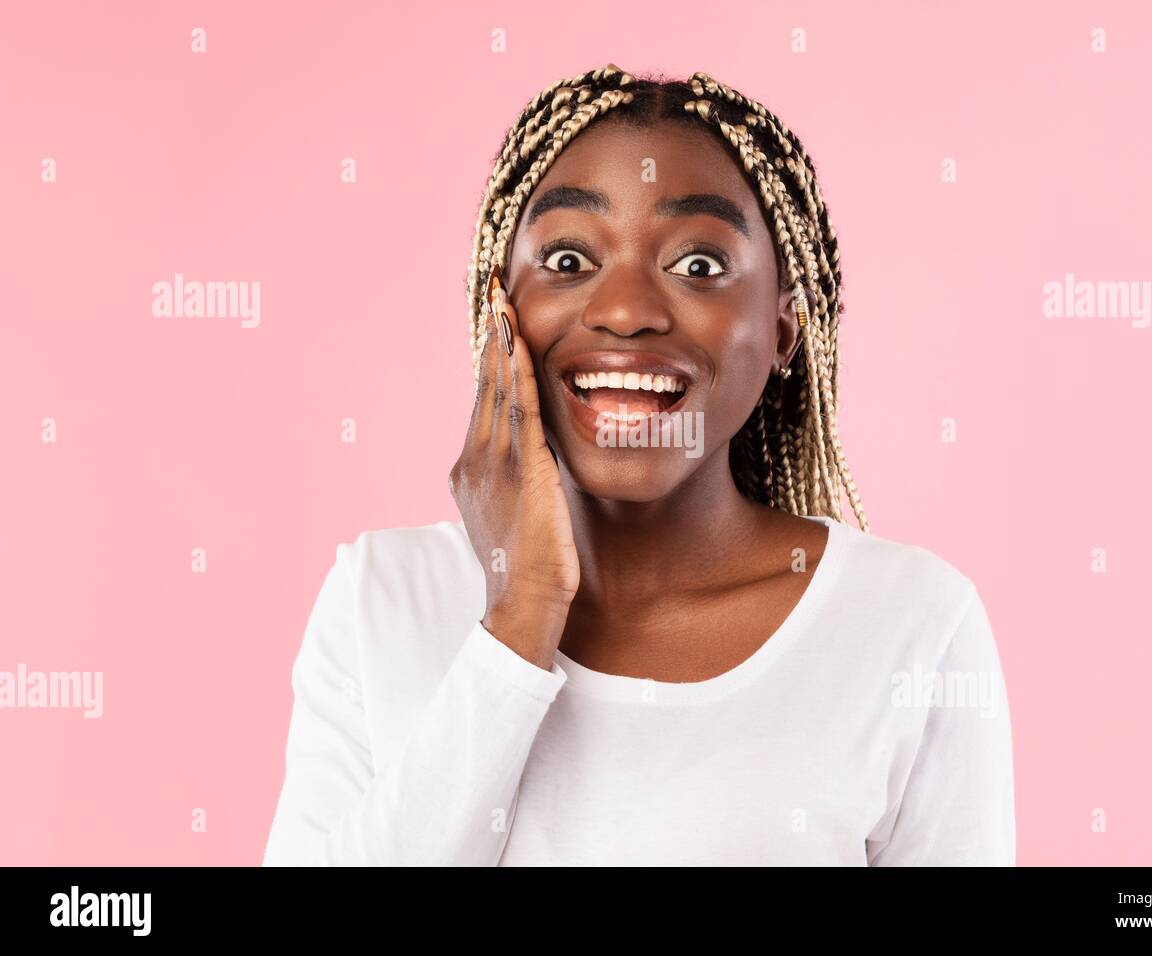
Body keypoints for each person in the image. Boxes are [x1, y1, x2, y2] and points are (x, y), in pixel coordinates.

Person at [262, 64, 1015, 866]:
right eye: (566, 261)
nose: (624, 311)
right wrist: (520, 617)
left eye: (698, 265)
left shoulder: (910, 625)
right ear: (500, 305)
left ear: (785, 329)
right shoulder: (379, 598)